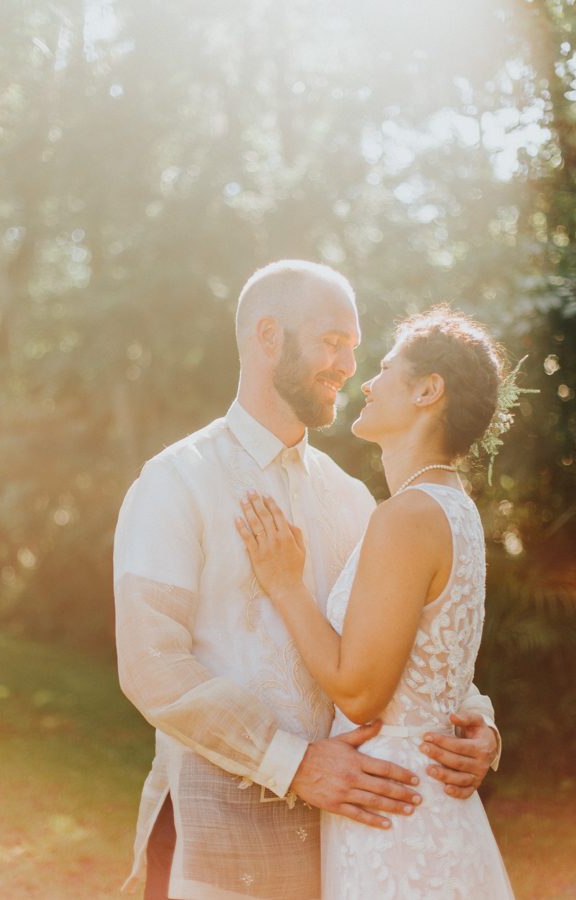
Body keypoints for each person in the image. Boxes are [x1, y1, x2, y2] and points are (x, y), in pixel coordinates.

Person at [113, 261, 501, 900]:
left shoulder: (353, 500)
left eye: (354, 346)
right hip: (216, 847)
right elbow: (152, 664)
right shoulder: (176, 479)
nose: (350, 364)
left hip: (342, 851)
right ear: (268, 337)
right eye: (332, 342)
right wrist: (293, 764)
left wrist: (479, 724)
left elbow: (396, 641)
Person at [236, 304, 514, 899]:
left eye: (386, 368)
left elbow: (362, 694)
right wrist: (484, 726)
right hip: (422, 806)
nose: (367, 380)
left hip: (393, 816)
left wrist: (285, 583)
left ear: (427, 390)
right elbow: (434, 665)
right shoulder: (451, 508)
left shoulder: (407, 516)